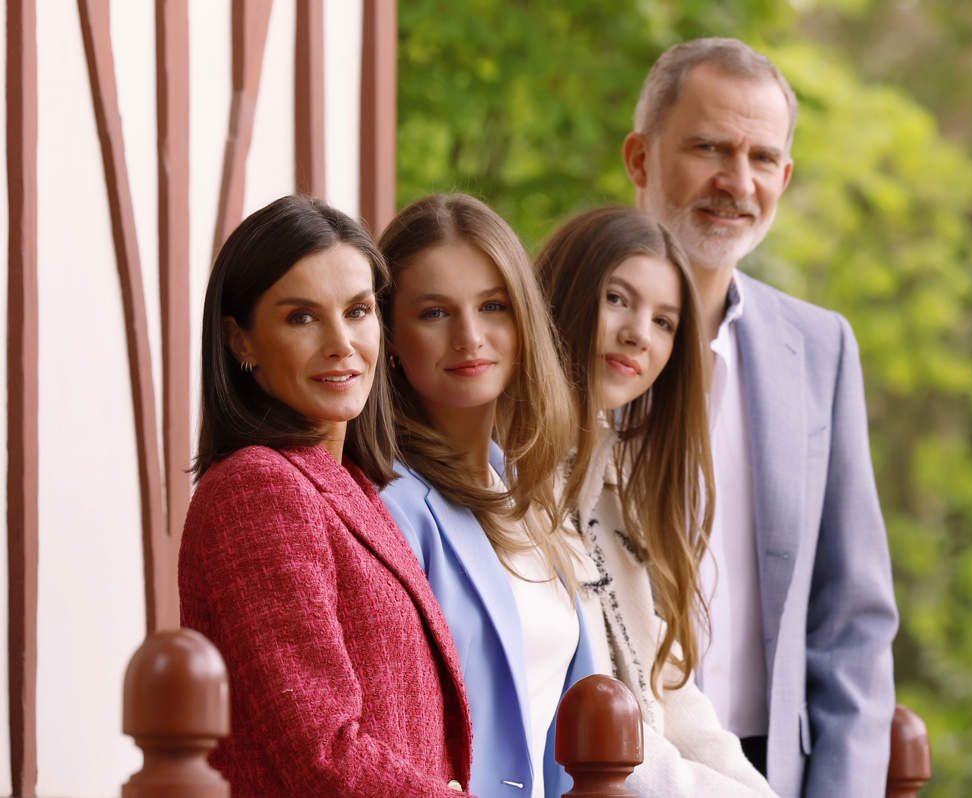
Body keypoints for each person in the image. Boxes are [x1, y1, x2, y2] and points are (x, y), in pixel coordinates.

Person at [621, 38, 900, 796]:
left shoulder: (821, 348)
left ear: (785, 176)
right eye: (709, 147)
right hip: (606, 765)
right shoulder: (561, 336)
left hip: (772, 770)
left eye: (761, 157)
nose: (735, 182)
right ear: (640, 159)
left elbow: (853, 620)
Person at [178, 195, 474, 797]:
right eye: (301, 317)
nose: (342, 343)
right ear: (241, 341)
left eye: (359, 311)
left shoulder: (354, 487)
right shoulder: (257, 488)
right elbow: (322, 750)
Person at [536, 204, 778, 797]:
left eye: (665, 321)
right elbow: (594, 732)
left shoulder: (617, 488)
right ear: (564, 293)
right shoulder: (511, 482)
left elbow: (671, 697)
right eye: (617, 299)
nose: (638, 333)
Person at [376, 193, 598, 798]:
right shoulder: (387, 507)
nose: (470, 337)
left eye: (493, 306)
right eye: (434, 313)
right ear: (389, 336)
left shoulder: (524, 495)